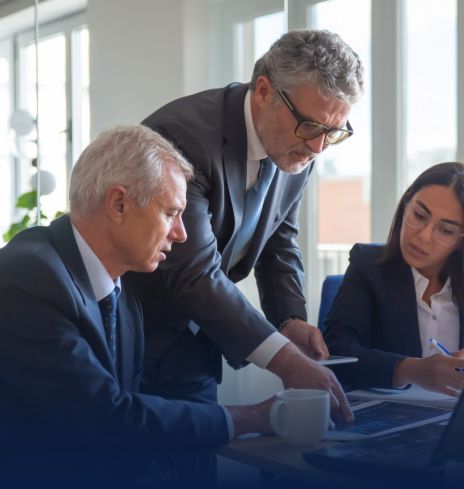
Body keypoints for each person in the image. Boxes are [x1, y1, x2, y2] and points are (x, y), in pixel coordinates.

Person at [0, 126, 275, 485]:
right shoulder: (24, 278)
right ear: (119, 204)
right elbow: (106, 418)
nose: (181, 233)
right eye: (171, 213)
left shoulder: (123, 292)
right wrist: (254, 417)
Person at [131, 29, 363, 418]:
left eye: (333, 132)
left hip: (197, 342)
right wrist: (284, 359)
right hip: (134, 335)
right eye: (311, 126)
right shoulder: (181, 138)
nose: (319, 147)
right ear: (264, 91)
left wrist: (289, 319)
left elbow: (279, 241)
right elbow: (194, 273)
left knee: (202, 448)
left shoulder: (300, 146)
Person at [323, 162, 464, 395]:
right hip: (389, 413)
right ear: (405, 206)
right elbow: (337, 351)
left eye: (445, 230)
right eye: (419, 215)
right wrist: (410, 370)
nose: (423, 236)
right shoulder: (367, 266)